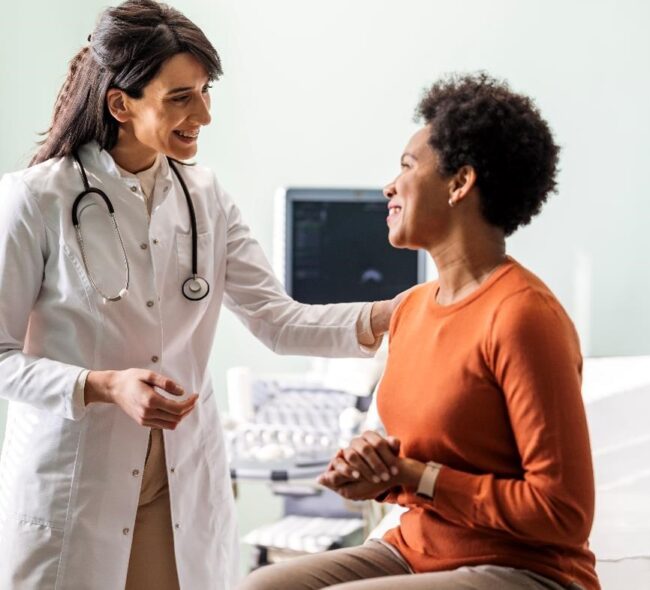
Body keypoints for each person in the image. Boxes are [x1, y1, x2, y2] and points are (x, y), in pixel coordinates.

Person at [0, 1, 401, 589]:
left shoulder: (204, 196)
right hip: (77, 482)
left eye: (206, 91)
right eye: (181, 97)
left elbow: (277, 320)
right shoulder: (37, 199)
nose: (204, 115)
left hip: (179, 480)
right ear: (120, 104)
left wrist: (396, 314)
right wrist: (102, 385)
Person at [240, 73, 600, 590]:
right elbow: (420, 461)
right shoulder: (411, 309)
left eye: (407, 166)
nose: (389, 185)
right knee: (259, 587)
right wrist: (378, 470)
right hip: (418, 548)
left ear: (460, 184)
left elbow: (563, 511)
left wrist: (412, 477)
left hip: (523, 567)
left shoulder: (523, 316)